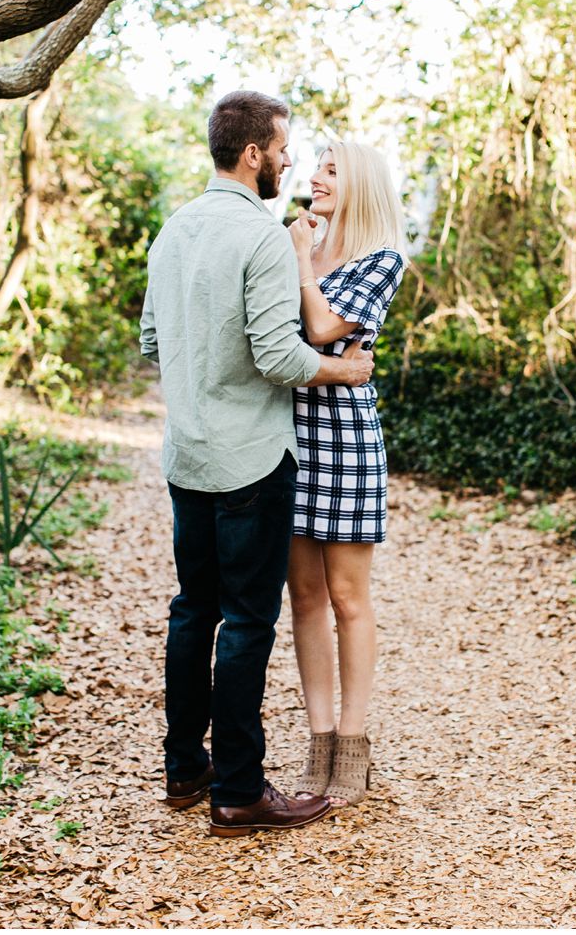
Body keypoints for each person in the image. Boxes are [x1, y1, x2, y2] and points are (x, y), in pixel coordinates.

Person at [140, 91, 374, 838]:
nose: (290, 162)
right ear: (254, 155)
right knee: (246, 621)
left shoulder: (174, 229)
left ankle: (185, 768)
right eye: (284, 149)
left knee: (191, 610)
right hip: (250, 462)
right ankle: (239, 790)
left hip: (186, 455)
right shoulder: (266, 237)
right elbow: (278, 356)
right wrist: (340, 374)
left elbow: (152, 340)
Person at [283, 140, 406, 809]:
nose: (313, 178)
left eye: (329, 170)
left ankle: (353, 746)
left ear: (357, 182)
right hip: (286, 439)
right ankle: (319, 739)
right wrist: (298, 254)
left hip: (346, 442)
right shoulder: (296, 244)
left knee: (348, 598)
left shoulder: (380, 260)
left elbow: (325, 326)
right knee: (302, 598)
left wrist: (301, 261)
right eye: (316, 168)